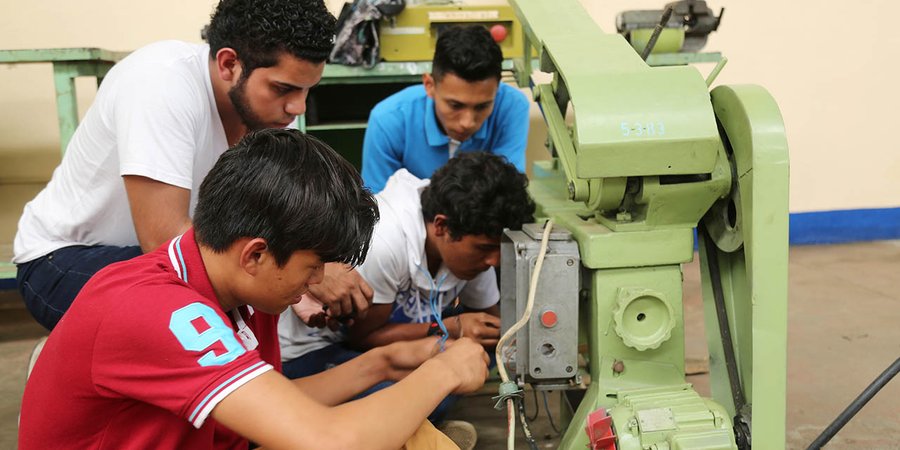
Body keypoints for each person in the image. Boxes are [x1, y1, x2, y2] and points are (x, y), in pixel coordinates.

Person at [19, 129, 490, 450]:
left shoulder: (240, 289)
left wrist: (384, 362)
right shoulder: (162, 311)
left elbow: (279, 405)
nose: (318, 283)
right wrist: (444, 371)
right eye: (312, 267)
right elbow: (324, 438)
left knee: (407, 429)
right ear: (255, 254)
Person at [13, 0, 370, 331]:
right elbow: (164, 241)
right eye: (283, 89)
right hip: (63, 260)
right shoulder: (160, 84)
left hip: (167, 257)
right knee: (196, 313)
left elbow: (266, 228)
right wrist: (312, 276)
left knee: (247, 294)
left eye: (307, 90)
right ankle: (66, 366)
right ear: (229, 64)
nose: (298, 108)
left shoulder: (269, 111)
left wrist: (302, 281)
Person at [280, 152, 535, 423]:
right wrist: (449, 329)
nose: (493, 261)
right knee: (414, 393)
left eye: (498, 250)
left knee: (480, 354)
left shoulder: (472, 245)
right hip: (316, 351)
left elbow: (490, 321)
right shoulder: (386, 241)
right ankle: (417, 432)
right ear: (441, 226)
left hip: (382, 342)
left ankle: (416, 428)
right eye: (484, 249)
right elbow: (362, 337)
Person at [360, 25, 530, 193]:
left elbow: (508, 193)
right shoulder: (387, 120)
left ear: (497, 89)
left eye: (482, 106)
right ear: (429, 85)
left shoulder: (512, 107)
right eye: (455, 105)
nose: (467, 123)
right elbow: (380, 207)